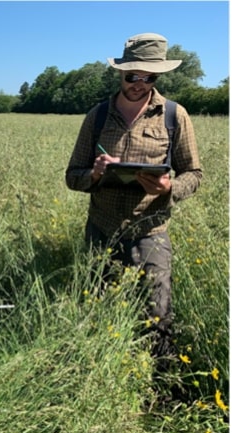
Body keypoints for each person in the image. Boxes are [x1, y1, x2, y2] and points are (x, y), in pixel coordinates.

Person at [65, 33, 202, 378]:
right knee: (96, 309)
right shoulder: (97, 116)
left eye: (149, 77)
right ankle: (100, 376)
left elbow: (194, 173)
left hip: (150, 232)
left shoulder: (174, 115)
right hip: (101, 231)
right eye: (132, 76)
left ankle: (161, 381)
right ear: (120, 73)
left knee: (157, 314)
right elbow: (72, 175)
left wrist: (170, 187)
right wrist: (94, 174)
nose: (139, 84)